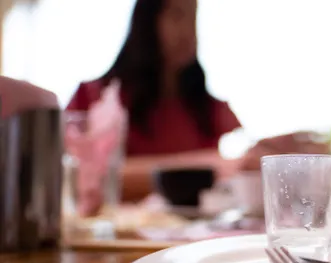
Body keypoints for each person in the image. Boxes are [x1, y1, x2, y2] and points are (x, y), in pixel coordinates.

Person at [66, 0, 240, 201]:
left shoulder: (209, 109)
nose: (188, 30)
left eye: (194, 17)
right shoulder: (94, 97)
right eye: (177, 15)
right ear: (146, 20)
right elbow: (89, 179)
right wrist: (208, 164)